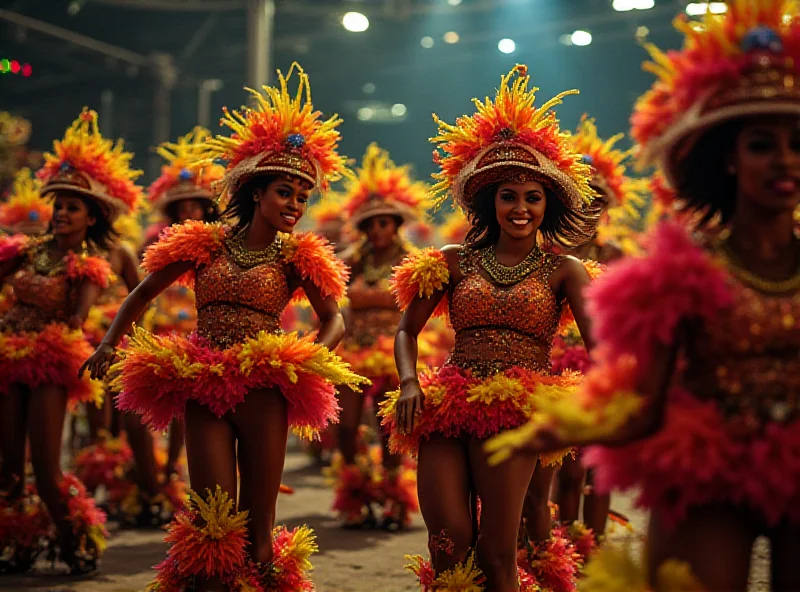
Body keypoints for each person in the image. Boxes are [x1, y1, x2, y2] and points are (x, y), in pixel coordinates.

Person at [487, 2, 800, 590]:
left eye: (797, 142)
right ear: (729, 158)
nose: (784, 159)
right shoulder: (681, 272)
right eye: (762, 144)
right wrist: (561, 427)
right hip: (707, 476)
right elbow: (646, 400)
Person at [81, 63, 366, 591]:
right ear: (257, 192)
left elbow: (335, 320)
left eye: (303, 197)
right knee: (212, 519)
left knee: (259, 531)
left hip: (265, 387)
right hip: (202, 380)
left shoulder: (299, 255)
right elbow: (142, 293)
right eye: (285, 192)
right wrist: (107, 343)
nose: (295, 206)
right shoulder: (203, 244)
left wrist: (305, 355)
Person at [381, 65, 598, 591]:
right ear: (490, 202)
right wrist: (409, 380)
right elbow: (407, 331)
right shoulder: (452, 261)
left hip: (521, 409)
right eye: (508, 196)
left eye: (532, 197)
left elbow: (604, 346)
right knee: (447, 540)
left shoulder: (564, 270)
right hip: (447, 402)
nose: (520, 208)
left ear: (547, 206)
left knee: (498, 551)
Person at [0, 108, 142, 574]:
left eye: (72, 208)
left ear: (91, 216)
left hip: (49, 361)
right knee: (6, 466)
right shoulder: (26, 251)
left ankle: (72, 537)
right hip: (6, 356)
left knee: (44, 464)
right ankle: (17, 537)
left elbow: (79, 319)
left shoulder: (90, 266)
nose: (61, 214)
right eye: (57, 206)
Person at [548, 116, 645, 549]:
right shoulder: (548, 257)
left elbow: (636, 316)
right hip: (556, 373)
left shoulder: (617, 255)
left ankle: (596, 549)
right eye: (580, 201)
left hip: (604, 368)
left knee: (601, 468)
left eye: (596, 202)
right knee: (567, 468)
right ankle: (564, 548)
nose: (589, 210)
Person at [331, 143, 427, 530]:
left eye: (383, 222)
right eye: (370, 224)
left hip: (393, 352)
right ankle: (355, 493)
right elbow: (332, 297)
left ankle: (392, 497)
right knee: (347, 427)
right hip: (354, 349)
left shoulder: (412, 260)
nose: (377, 230)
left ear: (396, 223)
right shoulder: (354, 259)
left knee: (392, 430)